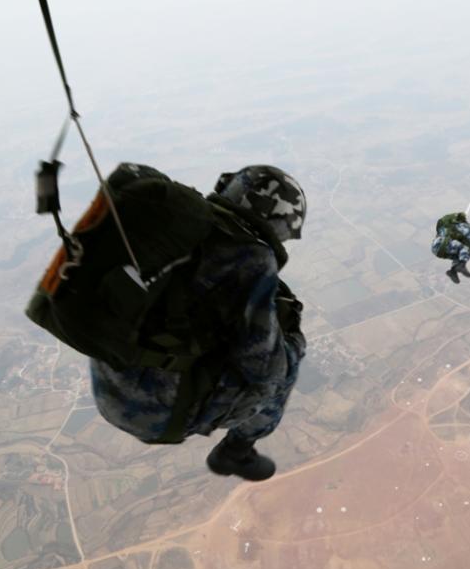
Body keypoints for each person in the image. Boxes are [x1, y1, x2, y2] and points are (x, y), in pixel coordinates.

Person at [89, 164, 307, 482]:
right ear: (281, 226)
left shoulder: (172, 223)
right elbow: (265, 369)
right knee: (290, 351)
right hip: (156, 417)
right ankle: (236, 452)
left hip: (107, 387)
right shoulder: (252, 260)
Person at [431, 212, 470, 284]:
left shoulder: (457, 225)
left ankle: (453, 271)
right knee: (464, 249)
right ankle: (461, 265)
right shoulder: (466, 229)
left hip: (438, 249)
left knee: (459, 254)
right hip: (441, 245)